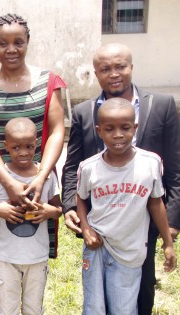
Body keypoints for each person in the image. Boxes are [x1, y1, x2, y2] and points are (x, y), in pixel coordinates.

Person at [61, 43, 180, 314]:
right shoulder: (84, 112)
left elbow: (174, 167)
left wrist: (171, 223)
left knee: (141, 289)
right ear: (96, 73)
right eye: (105, 69)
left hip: (144, 220)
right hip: (101, 223)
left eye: (120, 67)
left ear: (132, 67)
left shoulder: (161, 105)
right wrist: (69, 207)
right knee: (97, 295)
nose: (114, 74)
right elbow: (73, 166)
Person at [0, 13, 66, 260]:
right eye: (3, 43)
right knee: (3, 253)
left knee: (37, 248)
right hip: (0, 183)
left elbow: (57, 130)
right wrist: (7, 182)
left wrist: (42, 177)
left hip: (38, 182)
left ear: (28, 41)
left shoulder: (48, 81)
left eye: (18, 42)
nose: (11, 49)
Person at [76, 98, 177, 314]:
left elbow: (156, 203)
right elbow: (80, 198)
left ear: (135, 128)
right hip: (97, 247)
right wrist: (85, 228)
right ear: (99, 131)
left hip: (130, 251)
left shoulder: (150, 163)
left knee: (124, 308)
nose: (118, 134)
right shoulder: (89, 167)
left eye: (125, 128)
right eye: (110, 129)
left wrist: (168, 243)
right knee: (93, 307)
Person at [0, 117, 62, 315]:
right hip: (7, 258)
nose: (23, 152)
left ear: (37, 144)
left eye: (29, 146)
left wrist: (49, 211)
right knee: (8, 310)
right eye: (16, 147)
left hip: (37, 258)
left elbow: (59, 209)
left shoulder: (47, 176)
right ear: (6, 146)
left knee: (34, 309)